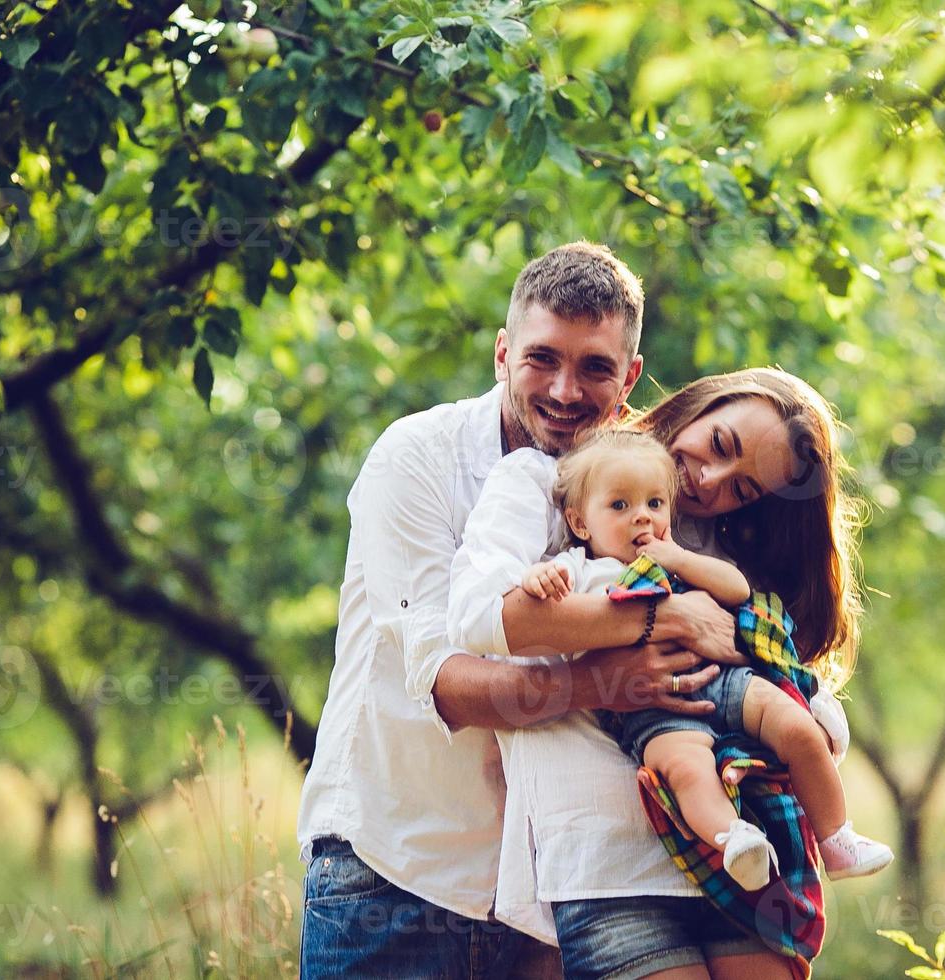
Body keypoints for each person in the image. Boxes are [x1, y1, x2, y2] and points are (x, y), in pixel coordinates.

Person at [297, 241, 745, 979]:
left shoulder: (635, 493)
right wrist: (623, 664)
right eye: (542, 359)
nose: (567, 391)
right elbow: (449, 684)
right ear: (503, 354)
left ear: (629, 377)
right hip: (396, 872)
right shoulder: (417, 459)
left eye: (596, 367)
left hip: (549, 894)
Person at [448, 368, 871, 980]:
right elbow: (487, 614)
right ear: (698, 405)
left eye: (744, 489)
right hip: (607, 864)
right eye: (719, 445)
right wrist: (664, 619)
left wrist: (785, 693)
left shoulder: (708, 547)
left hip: (736, 854)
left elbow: (812, 707)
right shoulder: (554, 482)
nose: (711, 480)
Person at [515, 428, 893, 891]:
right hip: (652, 712)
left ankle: (837, 837)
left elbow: (735, 589)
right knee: (685, 771)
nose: (642, 519)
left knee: (795, 725)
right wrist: (540, 576)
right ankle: (734, 840)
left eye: (654, 504)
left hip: (726, 680)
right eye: (620, 506)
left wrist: (677, 556)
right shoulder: (578, 568)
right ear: (579, 523)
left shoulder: (680, 557)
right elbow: (540, 600)